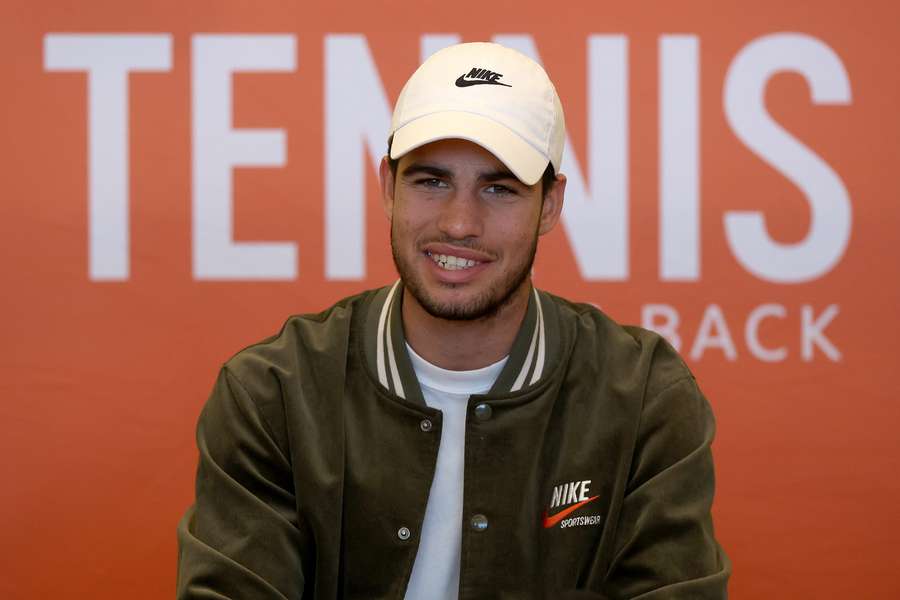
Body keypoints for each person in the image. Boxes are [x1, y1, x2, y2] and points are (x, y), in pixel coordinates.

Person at [176, 41, 731, 599]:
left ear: (551, 204)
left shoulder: (642, 398)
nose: (460, 223)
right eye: (431, 181)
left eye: (499, 188)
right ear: (388, 186)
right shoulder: (273, 393)